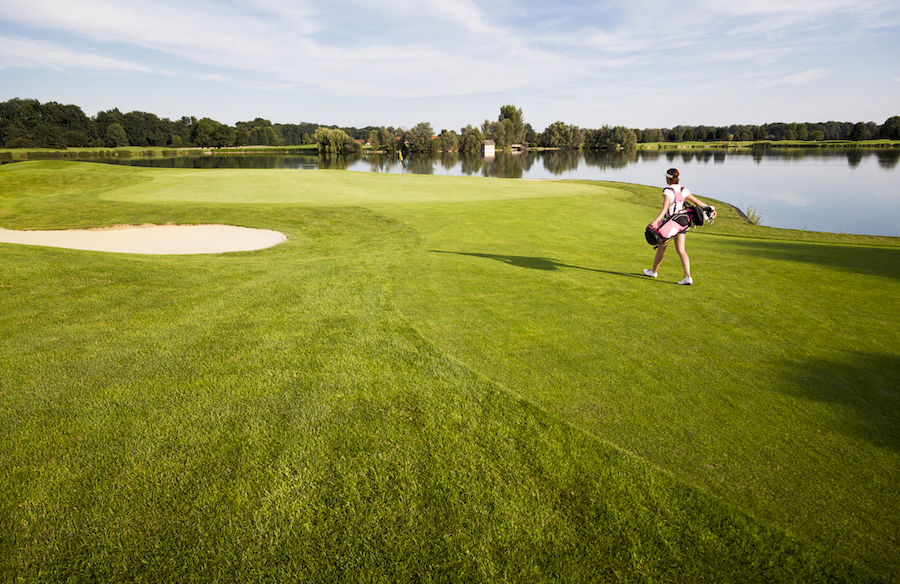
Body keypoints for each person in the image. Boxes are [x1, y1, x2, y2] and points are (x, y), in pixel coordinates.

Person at [642, 168, 715, 285]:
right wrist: (711, 209)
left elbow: (665, 209)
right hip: (681, 224)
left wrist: (656, 221)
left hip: (669, 226)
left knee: (661, 248)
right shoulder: (683, 190)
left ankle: (654, 272)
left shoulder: (668, 191)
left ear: (668, 179)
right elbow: (697, 202)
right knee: (681, 250)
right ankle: (687, 277)